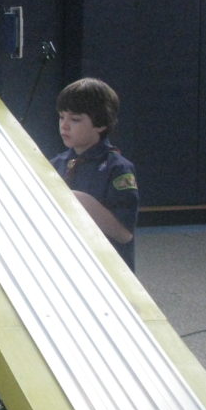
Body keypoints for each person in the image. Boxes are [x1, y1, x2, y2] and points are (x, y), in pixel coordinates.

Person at [49, 78, 138, 270]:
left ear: (100, 123)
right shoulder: (56, 164)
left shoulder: (117, 169)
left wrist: (79, 202)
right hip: (66, 265)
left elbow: (124, 233)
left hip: (106, 269)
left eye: (75, 119)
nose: (64, 125)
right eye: (61, 117)